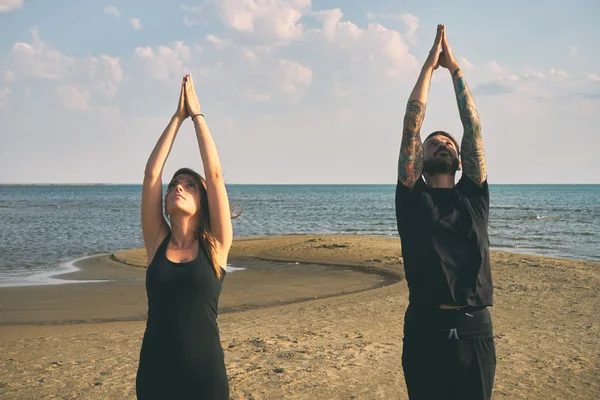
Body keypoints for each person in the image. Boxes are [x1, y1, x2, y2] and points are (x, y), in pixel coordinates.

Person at [395, 25, 496, 399]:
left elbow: (473, 127)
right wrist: (428, 67)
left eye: (448, 143)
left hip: (474, 327)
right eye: (433, 143)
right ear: (418, 160)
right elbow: (411, 125)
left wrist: (454, 69)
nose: (441, 144)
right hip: (425, 327)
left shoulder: (474, 195)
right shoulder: (411, 198)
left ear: (459, 158)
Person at [136, 74, 233, 399]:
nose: (178, 186)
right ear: (164, 202)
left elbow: (215, 175)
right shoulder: (156, 242)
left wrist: (196, 116)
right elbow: (152, 173)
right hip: (155, 376)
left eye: (189, 185)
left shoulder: (216, 246)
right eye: (175, 184)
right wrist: (176, 118)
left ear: (202, 202)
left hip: (205, 380)